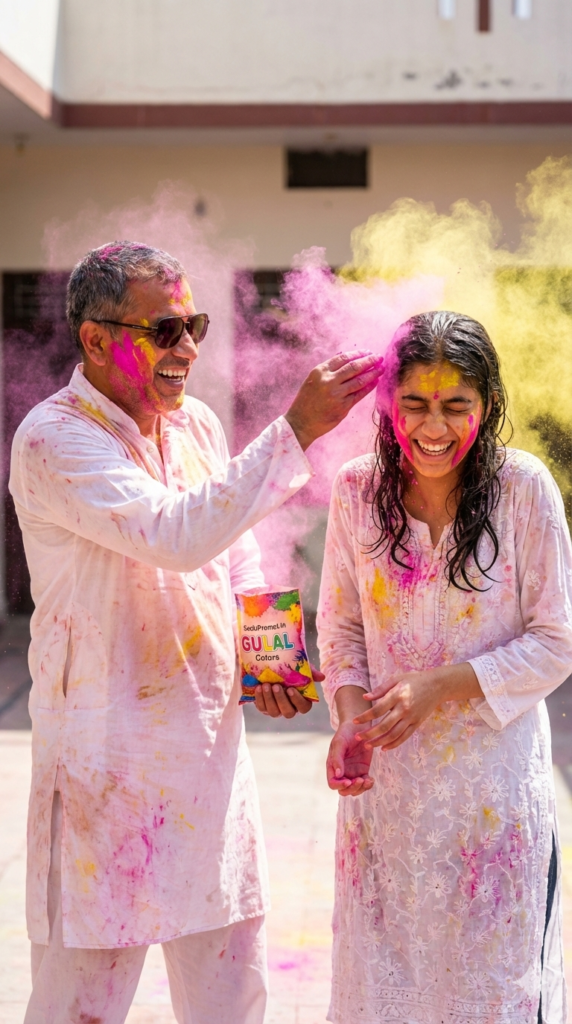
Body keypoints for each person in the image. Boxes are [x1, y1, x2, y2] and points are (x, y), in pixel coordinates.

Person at [9, 240, 383, 1024]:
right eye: (165, 331)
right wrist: (295, 429)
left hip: (207, 759)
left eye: (195, 326)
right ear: (96, 341)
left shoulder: (196, 425)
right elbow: (176, 533)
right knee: (80, 1007)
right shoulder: (54, 437)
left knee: (232, 1001)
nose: (187, 348)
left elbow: (235, 554)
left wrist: (272, 660)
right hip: (105, 771)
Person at [317, 311, 572, 1024]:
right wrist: (350, 720)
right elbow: (340, 628)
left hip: (494, 812)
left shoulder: (524, 489)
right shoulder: (356, 490)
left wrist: (440, 687)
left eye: (456, 404)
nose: (434, 427)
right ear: (388, 405)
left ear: (487, 403)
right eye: (416, 404)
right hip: (386, 811)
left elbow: (558, 640)